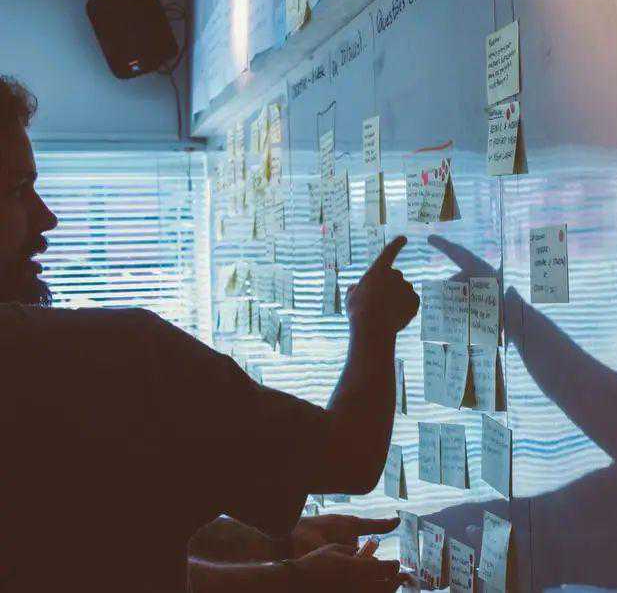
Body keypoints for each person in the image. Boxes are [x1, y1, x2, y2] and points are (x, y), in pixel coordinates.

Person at [0, 74, 420, 593]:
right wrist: (373, 323)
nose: (47, 218)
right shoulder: (121, 357)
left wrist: (279, 555)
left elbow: (98, 551)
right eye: (16, 190)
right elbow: (349, 456)